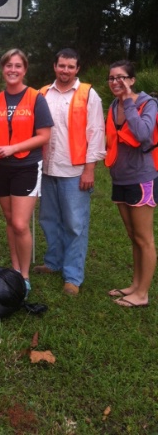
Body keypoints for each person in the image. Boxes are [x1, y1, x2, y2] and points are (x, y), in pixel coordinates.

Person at [35, 48, 106, 295]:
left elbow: (96, 132)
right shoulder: (42, 93)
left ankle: (73, 276)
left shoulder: (88, 94)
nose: (65, 70)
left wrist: (90, 169)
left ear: (77, 69)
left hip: (75, 171)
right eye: (61, 65)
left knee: (75, 225)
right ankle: (53, 262)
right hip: (47, 168)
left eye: (70, 66)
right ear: (54, 66)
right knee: (49, 220)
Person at [0, 49, 54, 297]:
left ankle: (23, 277)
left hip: (26, 166)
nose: (12, 70)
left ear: (25, 69)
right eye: (8, 66)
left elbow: (44, 135)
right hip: (1, 168)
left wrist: (13, 148)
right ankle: (14, 268)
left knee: (20, 223)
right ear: (2, 69)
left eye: (18, 66)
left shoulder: (36, 98)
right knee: (9, 219)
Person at [105, 60, 157, 308]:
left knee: (145, 238)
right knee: (132, 235)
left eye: (121, 77)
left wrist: (129, 102)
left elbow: (143, 134)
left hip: (142, 178)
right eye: (112, 78)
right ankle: (135, 285)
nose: (116, 82)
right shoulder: (113, 105)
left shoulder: (148, 103)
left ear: (132, 80)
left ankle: (143, 294)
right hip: (121, 178)